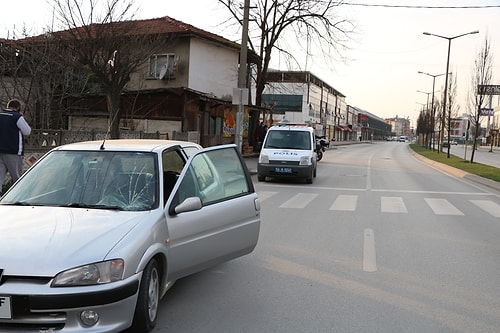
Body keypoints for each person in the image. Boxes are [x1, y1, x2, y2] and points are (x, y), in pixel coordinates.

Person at [0, 99, 31, 193]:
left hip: (0, 151)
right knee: (17, 177)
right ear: (18, 108)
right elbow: (27, 131)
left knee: (0, 175)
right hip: (13, 151)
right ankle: (17, 197)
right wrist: (22, 117)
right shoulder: (16, 117)